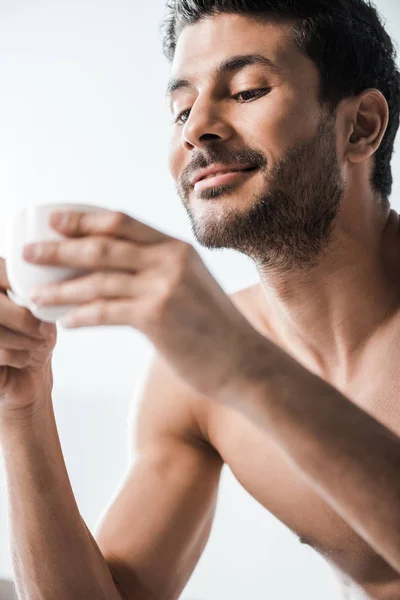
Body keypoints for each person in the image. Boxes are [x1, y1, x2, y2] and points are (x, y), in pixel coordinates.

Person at [1, 0, 400, 598]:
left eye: (245, 91)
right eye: (181, 108)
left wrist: (242, 368)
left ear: (362, 126)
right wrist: (23, 406)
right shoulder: (190, 383)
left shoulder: (224, 360)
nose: (195, 129)